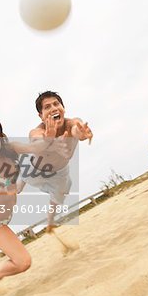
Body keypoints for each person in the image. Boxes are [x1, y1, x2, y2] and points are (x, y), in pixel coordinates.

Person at [0, 117, 67, 281]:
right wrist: (0, 194)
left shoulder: (11, 149)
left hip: (7, 212)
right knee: (24, 262)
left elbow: (35, 148)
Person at [17, 91, 93, 233]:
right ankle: (17, 182)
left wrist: (81, 134)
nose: (53, 108)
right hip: (34, 170)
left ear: (63, 108)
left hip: (60, 173)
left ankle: (50, 222)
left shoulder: (72, 123)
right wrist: (48, 140)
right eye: (47, 107)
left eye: (56, 104)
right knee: (16, 188)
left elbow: (76, 129)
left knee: (59, 196)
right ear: (41, 116)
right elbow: (36, 140)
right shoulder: (37, 131)